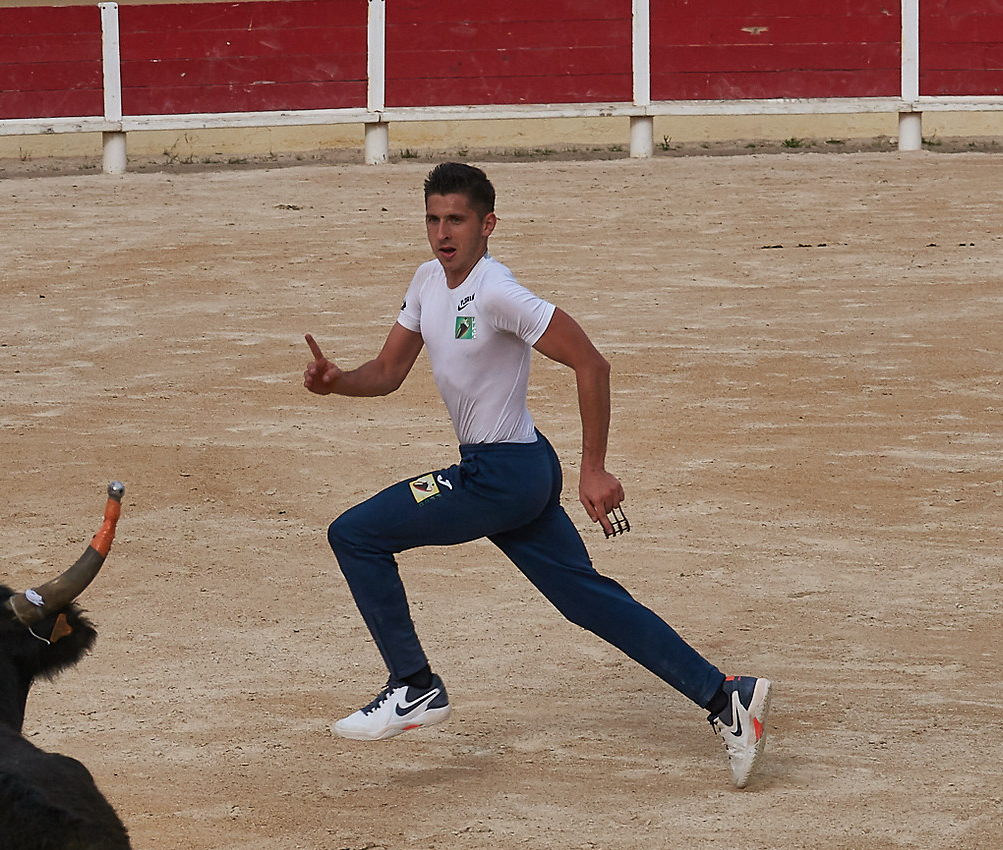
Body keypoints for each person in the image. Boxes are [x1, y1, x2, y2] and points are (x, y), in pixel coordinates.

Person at [301, 161, 771, 788]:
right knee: (587, 600)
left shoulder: (497, 292)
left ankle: (413, 685)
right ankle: (725, 696)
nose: (444, 233)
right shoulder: (424, 282)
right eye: (434, 220)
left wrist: (595, 468)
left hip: (503, 476)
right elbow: (386, 373)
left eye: (458, 220)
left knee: (355, 534)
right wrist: (339, 385)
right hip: (510, 469)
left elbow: (591, 364)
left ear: (487, 224)